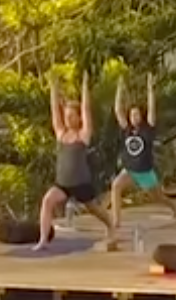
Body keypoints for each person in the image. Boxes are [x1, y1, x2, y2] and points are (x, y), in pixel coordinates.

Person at [35, 71, 116, 251]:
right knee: (47, 201)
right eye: (66, 116)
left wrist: (85, 86)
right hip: (62, 183)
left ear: (78, 118)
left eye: (72, 116)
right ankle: (43, 240)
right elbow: (54, 110)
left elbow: (86, 108)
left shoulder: (83, 135)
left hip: (81, 183)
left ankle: (110, 225)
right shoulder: (61, 134)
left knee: (94, 209)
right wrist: (54, 88)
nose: (67, 119)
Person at [110, 73, 176, 228]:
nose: (134, 117)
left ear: (141, 115)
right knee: (116, 186)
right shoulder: (126, 129)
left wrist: (150, 88)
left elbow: (152, 108)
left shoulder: (148, 129)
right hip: (130, 169)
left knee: (158, 198)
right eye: (132, 114)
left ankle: (173, 207)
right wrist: (119, 88)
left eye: (137, 114)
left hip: (145, 171)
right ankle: (116, 220)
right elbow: (117, 109)